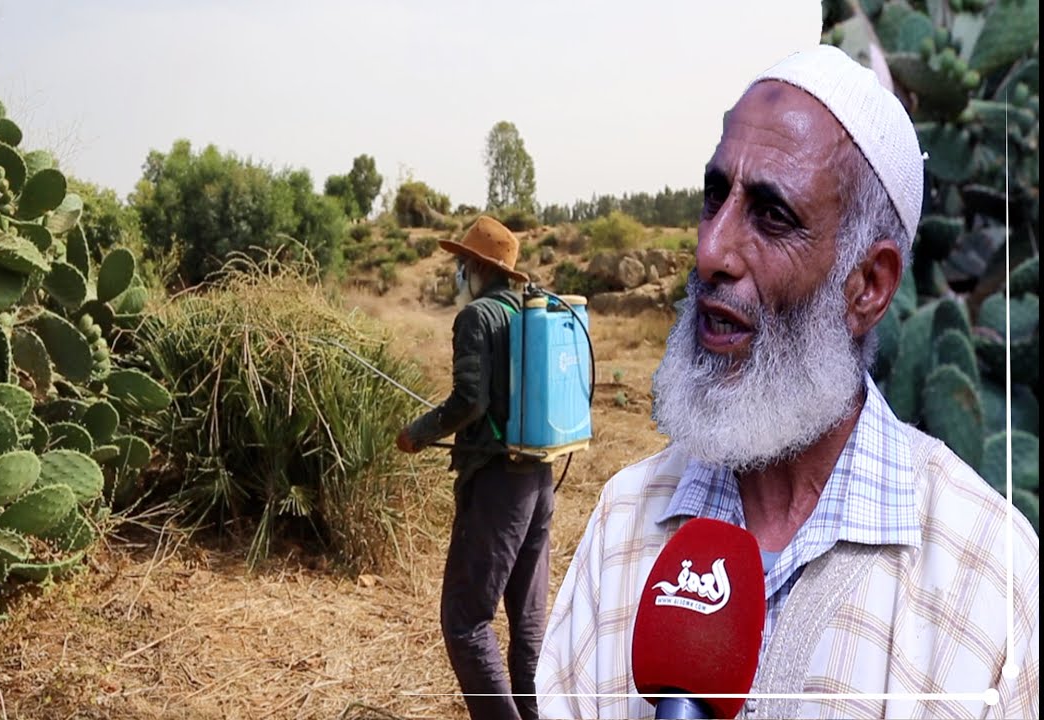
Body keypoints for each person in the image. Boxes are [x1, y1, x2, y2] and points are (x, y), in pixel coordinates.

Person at [535, 45, 1039, 720]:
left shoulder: (988, 577)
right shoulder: (624, 520)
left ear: (868, 286)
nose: (712, 250)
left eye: (772, 216)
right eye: (716, 197)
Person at [396, 215, 554, 720]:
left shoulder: (478, 317)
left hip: (498, 487)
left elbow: (469, 401)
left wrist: (418, 433)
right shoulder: (528, 313)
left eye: (461, 264)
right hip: (539, 477)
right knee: (527, 625)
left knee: (464, 621)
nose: (458, 274)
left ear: (477, 267)